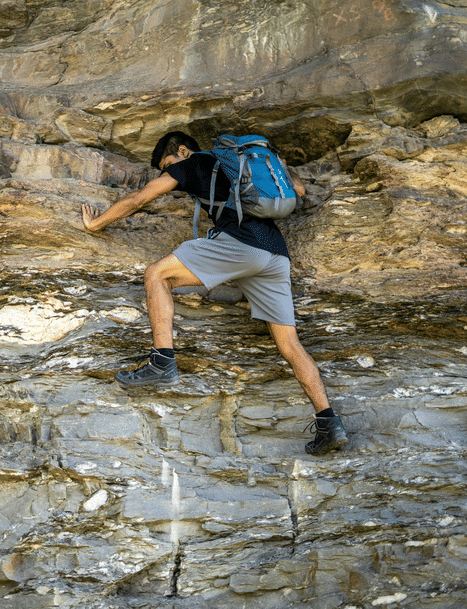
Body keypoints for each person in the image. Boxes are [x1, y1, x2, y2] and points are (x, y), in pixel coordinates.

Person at [81, 131, 348, 456]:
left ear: (182, 150)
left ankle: (162, 361)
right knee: (291, 345)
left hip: (240, 244)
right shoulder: (242, 166)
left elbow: (140, 199)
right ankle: (328, 422)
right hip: (276, 255)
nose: (168, 171)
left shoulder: (193, 163)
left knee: (156, 275)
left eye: (167, 164)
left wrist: (96, 224)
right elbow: (300, 190)